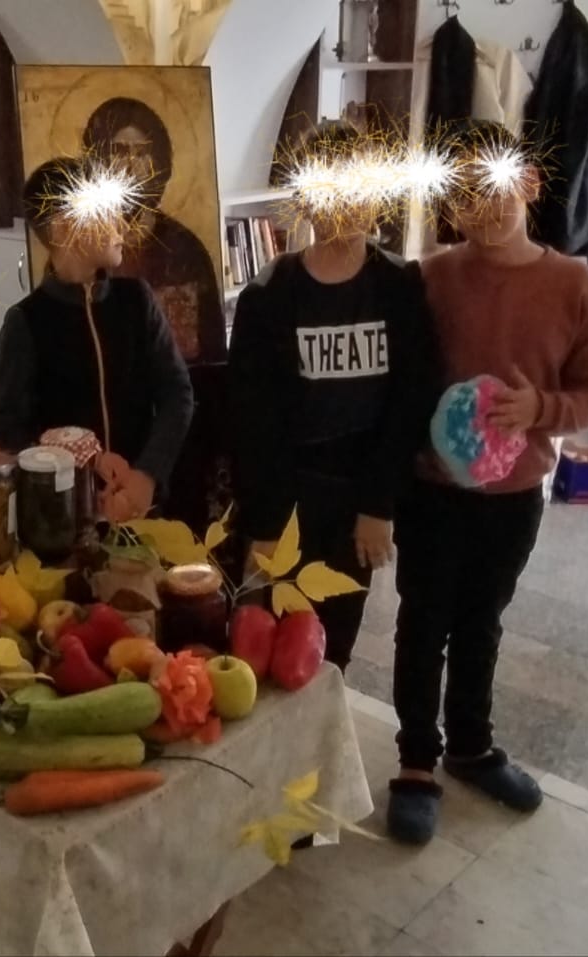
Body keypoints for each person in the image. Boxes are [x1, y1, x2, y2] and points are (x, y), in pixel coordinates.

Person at [386, 120, 588, 845]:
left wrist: (539, 409)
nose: (481, 208)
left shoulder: (573, 285)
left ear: (530, 182)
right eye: (464, 194)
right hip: (431, 489)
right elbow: (401, 380)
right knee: (423, 621)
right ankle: (415, 760)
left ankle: (471, 745)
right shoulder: (429, 277)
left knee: (481, 619)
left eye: (494, 188)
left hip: (514, 494)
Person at [228, 120, 439, 671]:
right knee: (264, 650)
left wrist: (379, 504)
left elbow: (411, 402)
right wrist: (266, 524)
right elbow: (253, 422)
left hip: (360, 497)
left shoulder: (399, 286)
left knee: (329, 652)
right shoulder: (269, 296)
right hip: (287, 495)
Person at [0, 156, 193, 522]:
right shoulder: (27, 322)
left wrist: (146, 476)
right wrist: (86, 462)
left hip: (145, 509)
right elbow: (10, 431)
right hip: (65, 519)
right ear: (63, 229)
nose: (122, 224)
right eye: (107, 211)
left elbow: (176, 394)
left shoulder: (137, 301)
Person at [83, 97, 225, 363]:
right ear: (99, 160)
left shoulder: (186, 249)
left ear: (157, 164)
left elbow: (212, 348)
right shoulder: (81, 251)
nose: (130, 165)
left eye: (141, 153)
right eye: (119, 151)